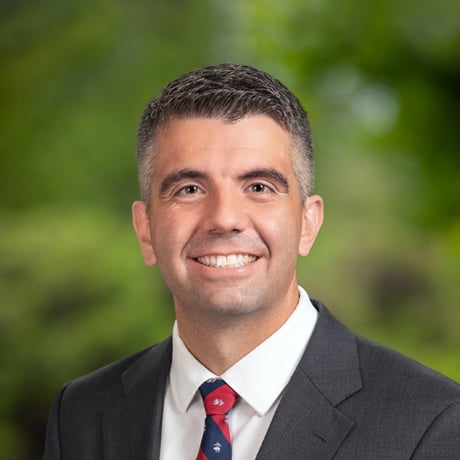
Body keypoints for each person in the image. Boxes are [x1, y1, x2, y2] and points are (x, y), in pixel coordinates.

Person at [43, 63, 460, 460]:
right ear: (146, 229)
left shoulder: (432, 423)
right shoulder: (79, 413)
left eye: (259, 187)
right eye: (189, 189)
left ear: (307, 223)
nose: (224, 218)